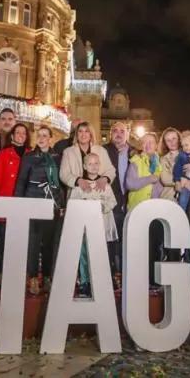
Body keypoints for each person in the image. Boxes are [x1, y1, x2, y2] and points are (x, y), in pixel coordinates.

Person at [61, 121, 117, 284]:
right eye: (80, 131)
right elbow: (64, 174)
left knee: (100, 247)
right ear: (76, 134)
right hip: (79, 195)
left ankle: (103, 279)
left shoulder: (100, 150)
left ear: (91, 134)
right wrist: (78, 180)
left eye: (87, 131)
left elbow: (110, 170)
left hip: (99, 194)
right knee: (82, 245)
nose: (83, 134)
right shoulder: (68, 152)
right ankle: (84, 280)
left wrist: (104, 179)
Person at [15, 125, 65, 295]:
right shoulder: (29, 157)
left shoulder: (58, 158)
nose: (42, 138)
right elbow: (21, 180)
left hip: (52, 204)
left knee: (50, 242)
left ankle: (48, 277)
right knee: (34, 242)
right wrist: (19, 203)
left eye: (45, 135)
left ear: (51, 139)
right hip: (33, 203)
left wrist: (62, 205)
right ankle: (33, 277)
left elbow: (61, 184)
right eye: (40, 135)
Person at [69, 153, 118, 297]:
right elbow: (72, 204)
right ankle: (85, 282)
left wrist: (103, 207)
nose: (93, 166)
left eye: (96, 163)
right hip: (84, 229)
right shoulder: (79, 186)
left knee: (102, 254)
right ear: (85, 166)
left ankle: (103, 281)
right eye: (90, 164)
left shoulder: (105, 185)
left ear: (100, 165)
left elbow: (112, 202)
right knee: (84, 254)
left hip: (101, 227)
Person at [0, 122, 31, 281]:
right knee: (4, 240)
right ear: (12, 135)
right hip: (6, 201)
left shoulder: (31, 154)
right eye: (17, 132)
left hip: (24, 202)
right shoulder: (4, 153)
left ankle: (17, 274)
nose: (20, 135)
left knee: (21, 241)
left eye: (23, 133)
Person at [126, 133, 165, 287]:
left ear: (156, 145)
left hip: (156, 210)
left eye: (151, 142)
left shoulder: (161, 162)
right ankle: (138, 280)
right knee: (140, 246)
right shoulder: (135, 161)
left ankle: (153, 280)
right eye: (145, 142)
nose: (148, 145)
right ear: (141, 145)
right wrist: (150, 179)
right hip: (138, 209)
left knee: (155, 245)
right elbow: (130, 183)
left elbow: (162, 185)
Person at [105, 121, 134, 286]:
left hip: (132, 202)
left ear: (128, 134)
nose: (118, 133)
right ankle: (111, 274)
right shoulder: (103, 151)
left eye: (122, 131)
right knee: (111, 240)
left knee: (129, 241)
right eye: (115, 130)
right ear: (110, 134)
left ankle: (127, 275)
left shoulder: (135, 152)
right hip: (112, 203)